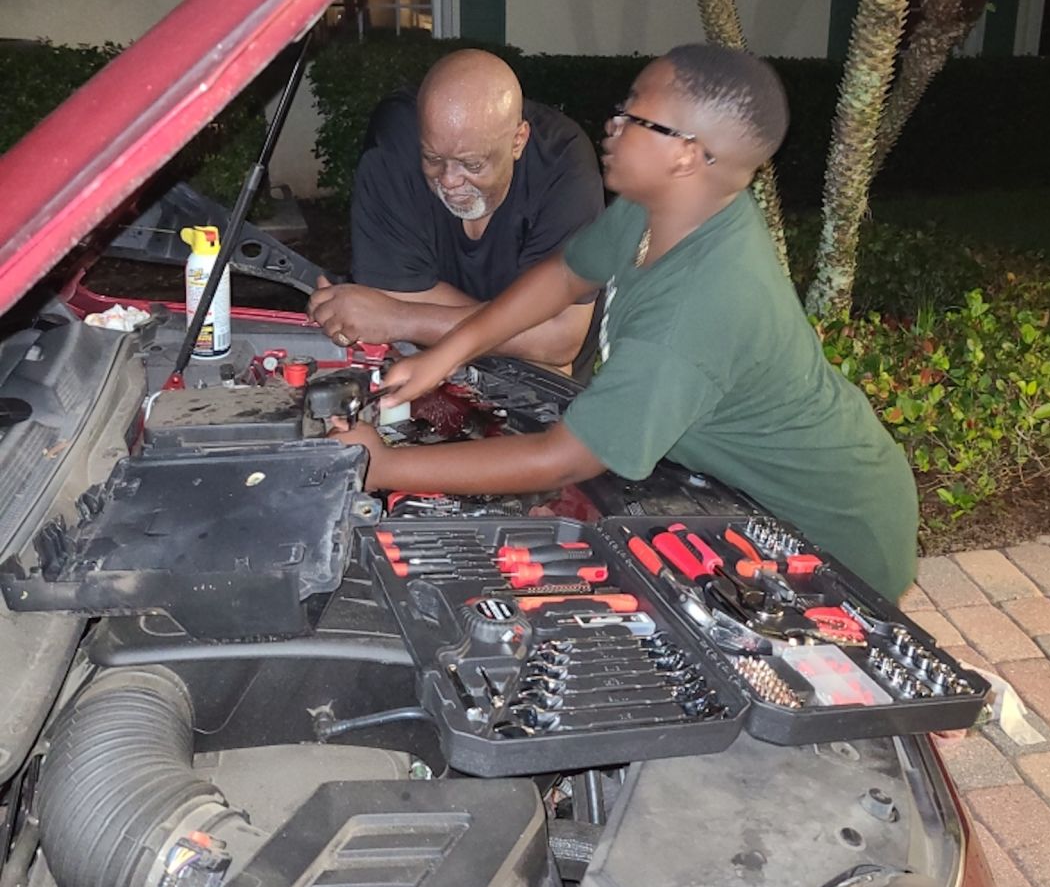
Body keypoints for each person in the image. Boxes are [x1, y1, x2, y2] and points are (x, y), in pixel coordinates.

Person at [333, 44, 919, 602]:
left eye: (634, 115)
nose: (612, 124)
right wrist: (450, 350)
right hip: (745, 498)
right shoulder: (658, 209)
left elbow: (566, 456)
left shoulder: (701, 304)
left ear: (686, 153)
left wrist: (383, 465)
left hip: (835, 532)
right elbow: (567, 274)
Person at [307, 49, 604, 372]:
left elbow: (561, 339)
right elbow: (388, 288)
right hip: (426, 367)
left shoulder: (565, 169)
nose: (448, 180)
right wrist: (523, 333)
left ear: (518, 141)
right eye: (433, 159)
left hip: (539, 390)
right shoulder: (395, 142)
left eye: (471, 164)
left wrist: (398, 317)